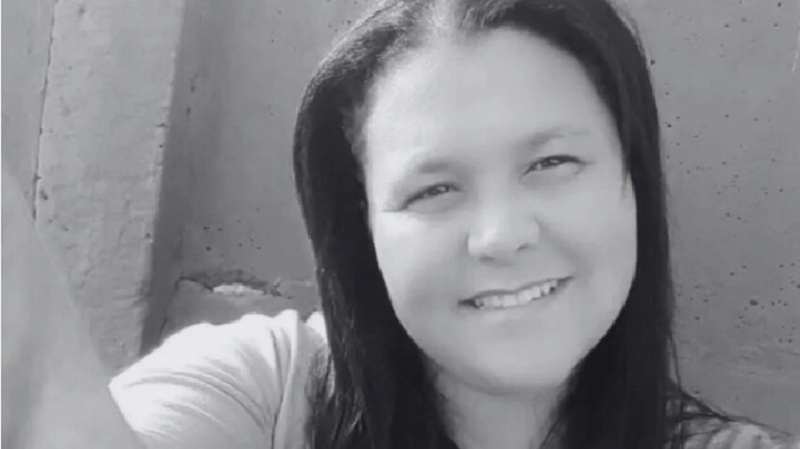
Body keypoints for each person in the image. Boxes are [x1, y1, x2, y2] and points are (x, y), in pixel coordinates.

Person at [3, 0, 798, 448]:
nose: (501, 235)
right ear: (364, 230)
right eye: (434, 189)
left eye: (552, 163)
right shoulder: (265, 391)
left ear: (633, 181)